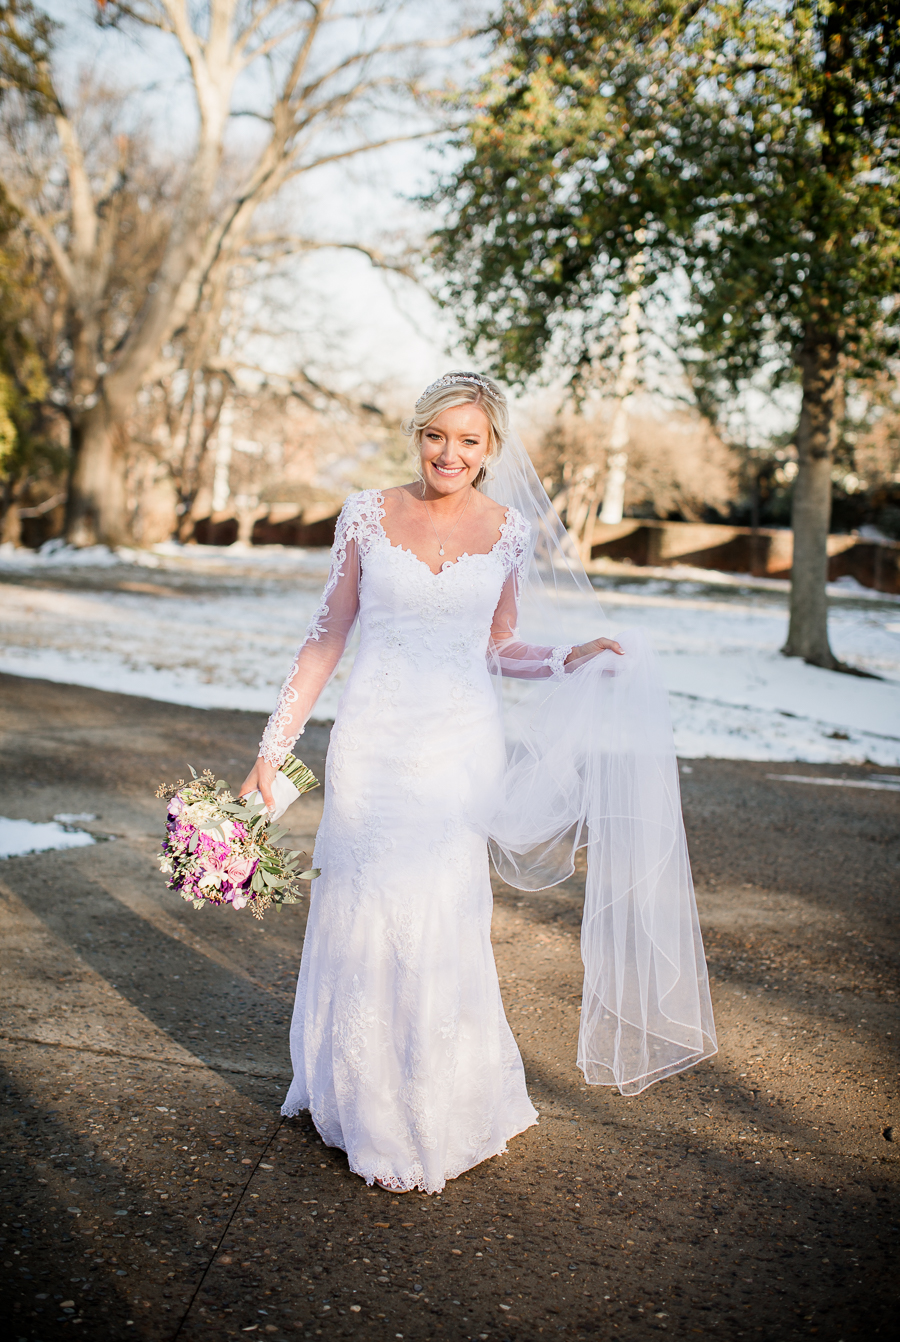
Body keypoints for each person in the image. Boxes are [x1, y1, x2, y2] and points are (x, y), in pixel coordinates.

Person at [240, 372, 715, 1194]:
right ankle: (354, 1095)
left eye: (469, 440)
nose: (449, 453)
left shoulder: (509, 530)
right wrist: (270, 751)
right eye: (436, 436)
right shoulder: (364, 513)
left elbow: (498, 645)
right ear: (416, 435)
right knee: (359, 907)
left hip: (459, 748)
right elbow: (325, 639)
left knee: (438, 915)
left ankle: (439, 1098)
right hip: (372, 747)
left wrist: (569, 658)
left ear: (491, 449)